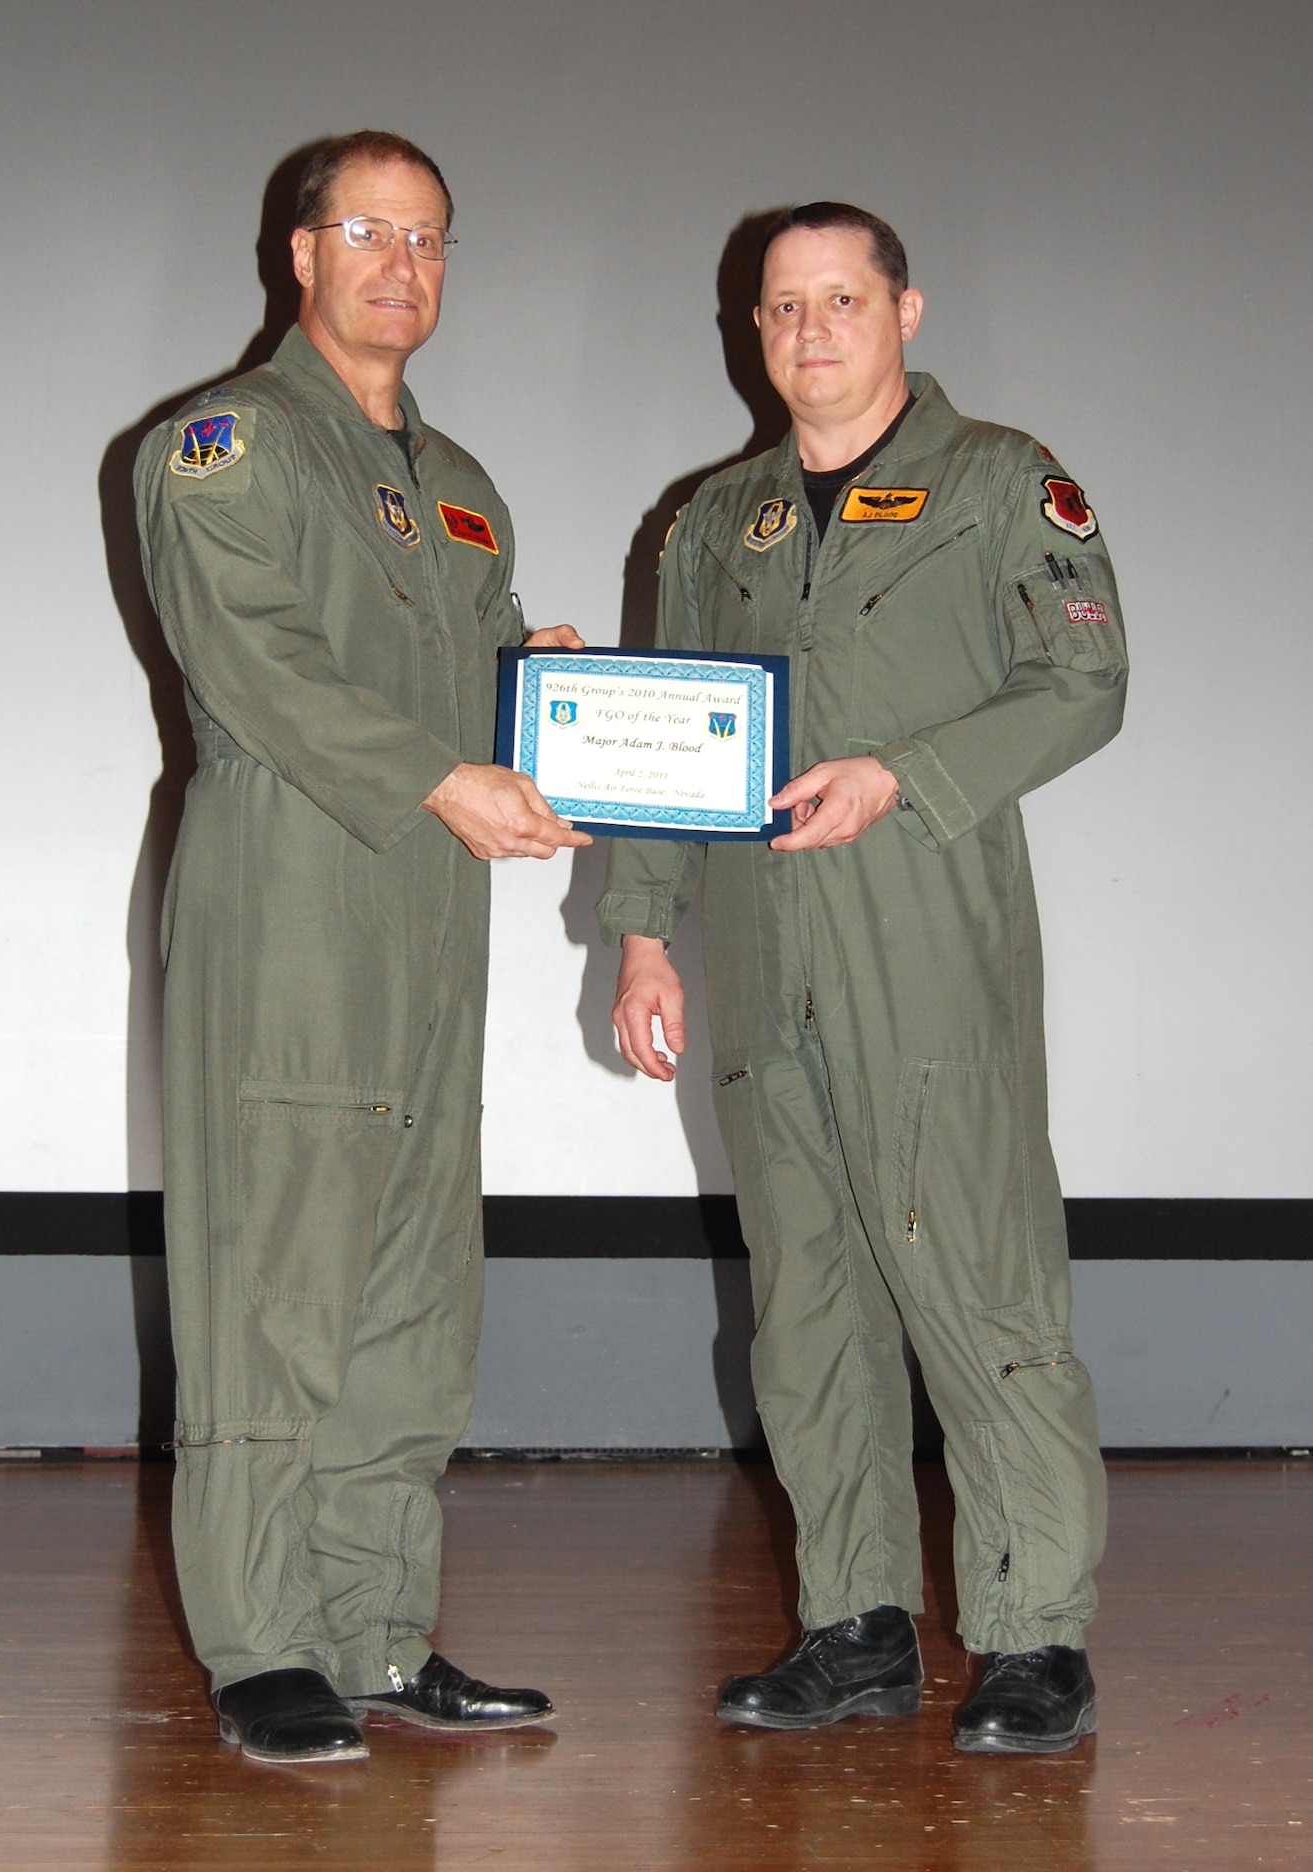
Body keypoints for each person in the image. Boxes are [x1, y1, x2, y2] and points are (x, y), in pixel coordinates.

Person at [598, 202, 1127, 1755]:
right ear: (749, 334)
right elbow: (667, 733)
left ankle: (1035, 1636)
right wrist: (642, 929)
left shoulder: (998, 484)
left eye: (840, 298)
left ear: (906, 311)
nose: (809, 328)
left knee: (975, 1277)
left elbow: (1083, 677)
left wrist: (901, 776)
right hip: (765, 954)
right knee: (808, 1302)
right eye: (780, 307)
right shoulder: (716, 521)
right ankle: (856, 1626)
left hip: (925, 940)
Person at [135, 131, 589, 1764]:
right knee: (275, 1276)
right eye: (368, 231)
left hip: (426, 915)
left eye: (431, 240)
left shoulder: (460, 488)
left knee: (410, 1281)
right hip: (293, 899)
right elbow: (251, 659)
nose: (402, 265)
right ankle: (263, 1638)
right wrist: (440, 769)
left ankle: (377, 1634)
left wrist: (540, 695)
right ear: (300, 253)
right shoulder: (227, 444)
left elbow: (461, 684)